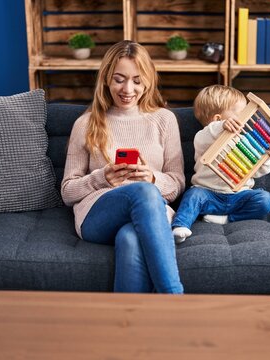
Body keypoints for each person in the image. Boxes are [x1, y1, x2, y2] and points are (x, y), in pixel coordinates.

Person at [61, 40, 185, 294]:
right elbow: (67, 192)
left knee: (129, 238)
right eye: (119, 79)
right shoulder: (86, 124)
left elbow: (178, 184)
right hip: (98, 216)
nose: (128, 89)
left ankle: (130, 327)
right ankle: (174, 298)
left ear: (148, 82)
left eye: (137, 80)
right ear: (106, 79)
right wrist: (102, 178)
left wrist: (152, 178)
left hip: (151, 213)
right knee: (143, 192)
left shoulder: (164, 120)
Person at [171, 85, 270, 243]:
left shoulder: (246, 142)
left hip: (239, 196)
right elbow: (208, 134)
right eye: (241, 113)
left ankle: (227, 219)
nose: (246, 117)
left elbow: (258, 172)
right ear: (218, 119)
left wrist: (268, 155)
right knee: (192, 196)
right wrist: (221, 127)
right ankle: (180, 226)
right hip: (208, 195)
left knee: (265, 200)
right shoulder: (205, 137)